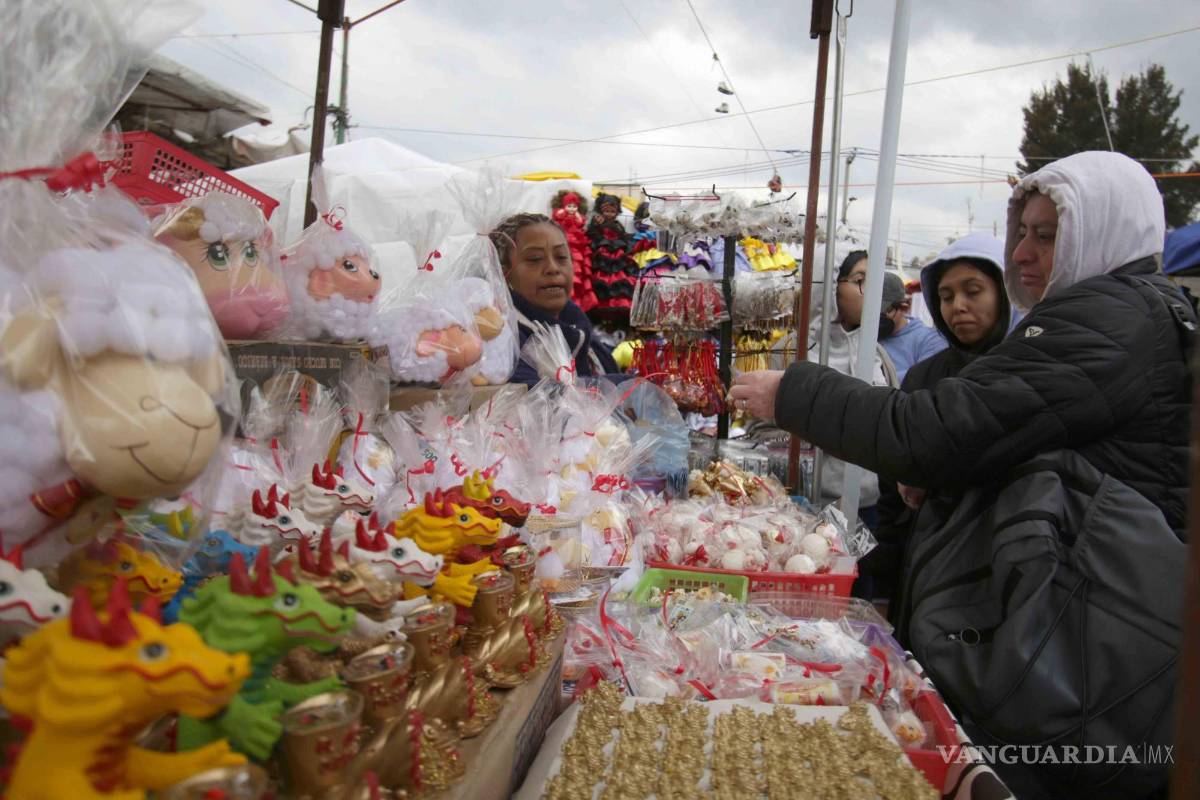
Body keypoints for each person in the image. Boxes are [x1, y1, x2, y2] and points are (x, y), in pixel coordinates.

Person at [730, 152, 1192, 799]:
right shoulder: (1125, 315)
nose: (1022, 252)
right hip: (1078, 633)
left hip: (1082, 647)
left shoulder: (1109, 320)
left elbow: (936, 431)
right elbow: (1017, 440)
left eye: (1046, 235)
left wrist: (794, 393)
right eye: (1021, 232)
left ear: (1103, 232)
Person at [863, 233, 1010, 608]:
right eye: (945, 297)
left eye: (973, 291)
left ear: (1006, 292)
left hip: (1000, 573)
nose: (958, 306)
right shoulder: (925, 376)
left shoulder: (1026, 373)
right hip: (924, 568)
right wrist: (884, 586)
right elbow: (891, 486)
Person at [760, 247, 898, 517]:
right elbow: (761, 428)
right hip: (800, 503)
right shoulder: (789, 351)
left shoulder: (876, 353)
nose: (871, 292)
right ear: (829, 287)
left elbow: (892, 421)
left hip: (868, 504)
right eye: (860, 281)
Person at [489, 212, 618, 386]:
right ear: (503, 273)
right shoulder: (502, 342)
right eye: (535, 259)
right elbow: (541, 396)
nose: (552, 268)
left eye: (561, 257)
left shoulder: (583, 333)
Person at [878, 270, 947, 382]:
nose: (877, 318)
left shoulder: (929, 340)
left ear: (904, 308)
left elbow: (925, 379)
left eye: (884, 311)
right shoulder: (862, 334)